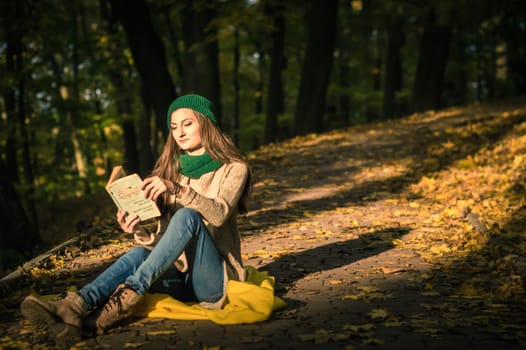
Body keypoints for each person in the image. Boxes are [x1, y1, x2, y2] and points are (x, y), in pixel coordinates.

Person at [20, 94, 252, 346]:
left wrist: (177, 190)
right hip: (181, 282)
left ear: (206, 123)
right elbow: (168, 239)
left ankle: (122, 300)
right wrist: (142, 233)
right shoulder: (173, 169)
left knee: (188, 215)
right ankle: (77, 307)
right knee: (138, 254)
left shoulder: (234, 168)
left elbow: (218, 214)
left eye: (188, 124)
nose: (180, 133)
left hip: (214, 282)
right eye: (174, 127)